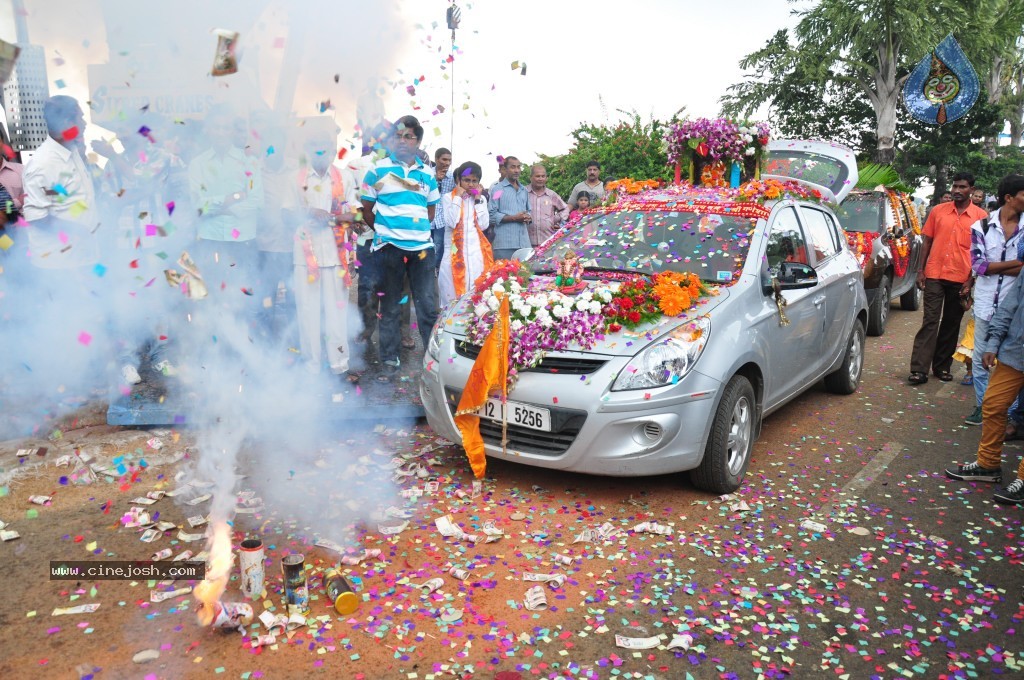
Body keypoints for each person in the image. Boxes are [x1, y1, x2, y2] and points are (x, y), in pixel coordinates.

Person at [945, 172, 1024, 505]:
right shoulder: (983, 227)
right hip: (1011, 337)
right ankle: (989, 464)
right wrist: (993, 343)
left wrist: (999, 266)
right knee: (992, 402)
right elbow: (983, 269)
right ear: (1009, 197)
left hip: (1011, 332)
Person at [360, 115, 440, 383]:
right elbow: (367, 210)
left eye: (409, 137)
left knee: (428, 306)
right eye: (399, 136)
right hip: (389, 248)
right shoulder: (378, 170)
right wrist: (387, 233)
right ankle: (389, 361)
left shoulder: (427, 174)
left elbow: (430, 210)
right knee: (391, 306)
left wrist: (414, 232)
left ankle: (433, 361)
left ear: (418, 141)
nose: (403, 141)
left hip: (422, 250)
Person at [907, 172, 989, 385]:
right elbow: (927, 242)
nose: (956, 191)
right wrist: (920, 270)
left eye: (962, 187)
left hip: (961, 277)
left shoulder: (980, 217)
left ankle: (942, 367)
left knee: (952, 323)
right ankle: (919, 369)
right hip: (935, 273)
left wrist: (970, 281)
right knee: (930, 321)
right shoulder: (938, 211)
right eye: (954, 186)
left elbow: (981, 252)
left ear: (972, 189)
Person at [294, 131, 361, 380]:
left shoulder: (344, 176)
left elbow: (355, 214)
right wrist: (309, 211)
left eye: (326, 148)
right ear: (309, 151)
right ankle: (311, 367)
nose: (321, 153)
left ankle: (339, 365)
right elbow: (286, 214)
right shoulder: (296, 178)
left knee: (337, 313)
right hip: (304, 255)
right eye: (316, 148)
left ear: (333, 151)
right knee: (308, 313)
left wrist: (333, 217)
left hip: (336, 256)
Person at [187, 107, 264, 315]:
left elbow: (257, 200)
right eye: (216, 127)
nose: (221, 132)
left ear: (232, 131)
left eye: (225, 128)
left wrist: (217, 207)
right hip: (210, 240)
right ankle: (216, 345)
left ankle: (243, 345)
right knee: (211, 299)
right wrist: (230, 199)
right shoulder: (197, 164)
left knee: (244, 300)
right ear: (208, 130)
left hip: (243, 242)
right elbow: (196, 206)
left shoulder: (249, 161)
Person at [964, 174, 1024, 424]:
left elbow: (987, 266)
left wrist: (993, 266)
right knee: (980, 359)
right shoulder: (982, 227)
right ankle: (983, 405)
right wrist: (1018, 264)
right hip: (986, 304)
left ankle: (1012, 414)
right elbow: (978, 266)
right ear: (1009, 198)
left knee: (1014, 361)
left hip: (1017, 308)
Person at [438, 161, 492, 307]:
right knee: (451, 299)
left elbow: (483, 225)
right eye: (467, 180)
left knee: (477, 299)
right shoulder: (449, 197)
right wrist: (458, 198)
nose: (471, 184)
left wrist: (478, 200)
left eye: (474, 181)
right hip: (453, 255)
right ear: (459, 180)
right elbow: (451, 222)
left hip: (476, 256)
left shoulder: (480, 199)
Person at [488, 156, 531, 260]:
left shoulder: (523, 190)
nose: (516, 170)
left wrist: (528, 217)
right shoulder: (498, 190)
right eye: (512, 167)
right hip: (504, 245)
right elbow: (491, 215)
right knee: (504, 275)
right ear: (505, 169)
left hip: (524, 244)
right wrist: (514, 218)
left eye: (518, 167)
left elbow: (529, 211)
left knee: (525, 275)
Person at [526, 164, 568, 247]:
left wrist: (555, 219)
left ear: (546, 178)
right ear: (530, 177)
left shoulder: (551, 195)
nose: (540, 179)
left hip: (547, 243)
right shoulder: (523, 193)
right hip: (527, 242)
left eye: (543, 176)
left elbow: (565, 209)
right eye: (537, 176)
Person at [430, 147, 454, 268]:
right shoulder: (427, 174)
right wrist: (435, 180)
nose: (447, 163)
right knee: (425, 248)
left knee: (439, 247)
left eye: (449, 160)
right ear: (436, 159)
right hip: (426, 218)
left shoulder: (452, 177)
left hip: (442, 220)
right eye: (444, 159)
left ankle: (435, 271)